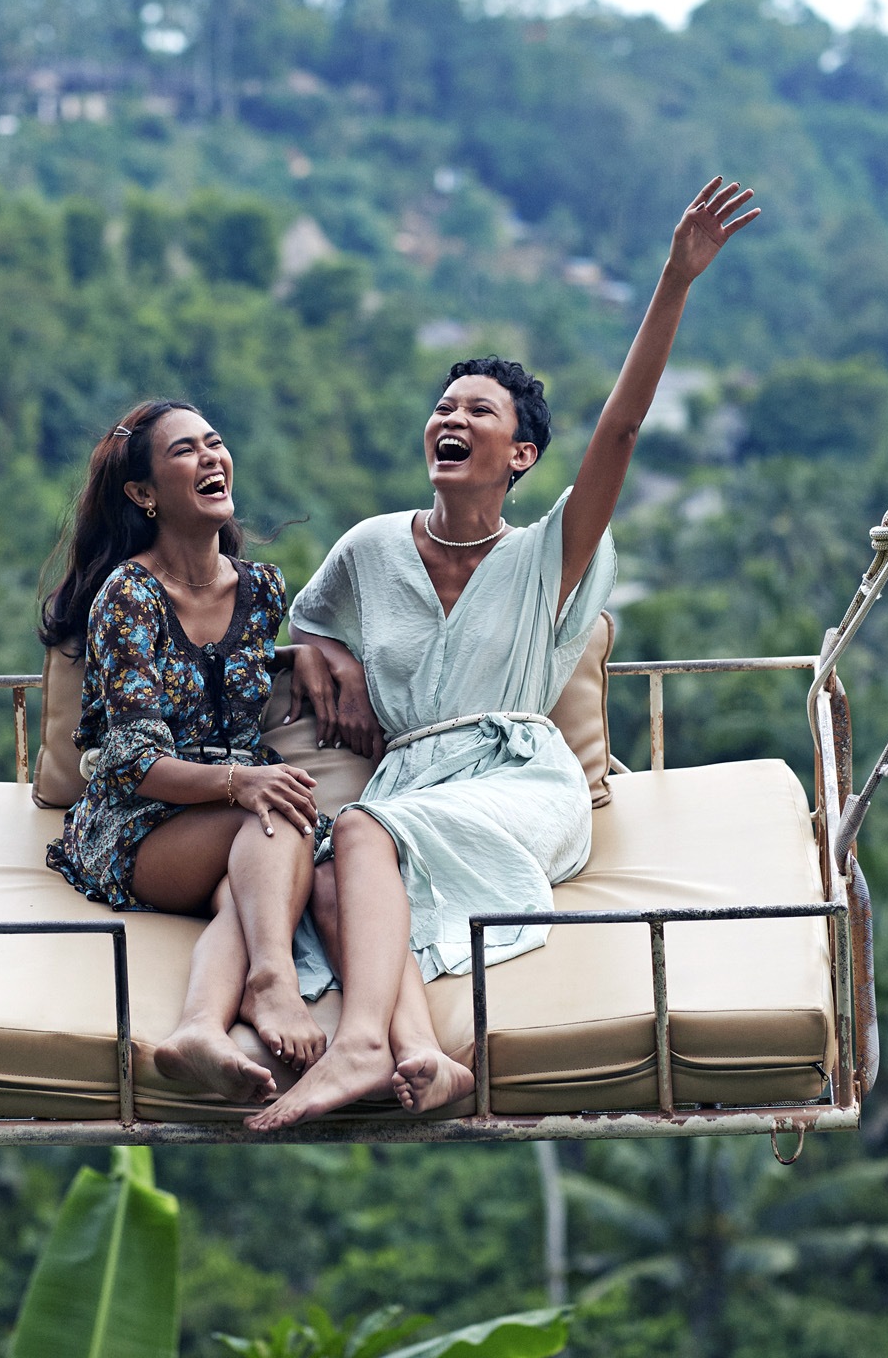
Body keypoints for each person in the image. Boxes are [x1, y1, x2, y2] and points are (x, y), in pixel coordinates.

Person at [248, 176, 760, 1131]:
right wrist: (327, 653)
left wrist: (675, 281)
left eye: (480, 412)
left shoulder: (546, 560)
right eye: (445, 407)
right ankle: (422, 1058)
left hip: (517, 778)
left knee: (355, 834)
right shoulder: (368, 548)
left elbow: (622, 430)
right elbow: (307, 621)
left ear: (521, 455)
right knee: (324, 870)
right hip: (411, 782)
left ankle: (363, 1043)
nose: (453, 419)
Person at [40, 399, 339, 1106]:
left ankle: (200, 1027)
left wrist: (317, 656)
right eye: (185, 451)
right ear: (144, 495)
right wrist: (243, 782)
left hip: (228, 818)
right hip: (138, 820)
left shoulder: (262, 589)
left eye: (216, 442)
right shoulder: (129, 597)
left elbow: (242, 667)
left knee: (248, 881)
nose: (211, 457)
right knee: (278, 816)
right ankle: (271, 980)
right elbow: (134, 766)